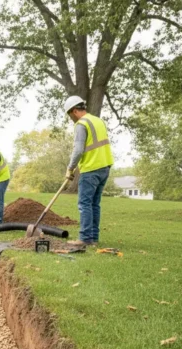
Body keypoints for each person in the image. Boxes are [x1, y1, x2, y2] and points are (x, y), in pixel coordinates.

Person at [63, 96, 114, 246]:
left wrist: (70, 168)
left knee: (85, 204)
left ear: (73, 111)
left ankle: (85, 238)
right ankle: (93, 238)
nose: (71, 118)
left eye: (70, 115)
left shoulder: (81, 124)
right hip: (105, 167)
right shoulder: (98, 121)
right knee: (94, 204)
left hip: (91, 169)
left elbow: (78, 150)